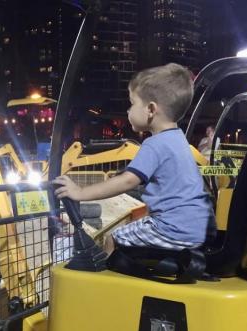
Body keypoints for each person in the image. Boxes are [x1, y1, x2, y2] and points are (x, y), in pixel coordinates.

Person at [53, 63, 214, 254]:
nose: (128, 111)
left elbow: (127, 180)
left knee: (114, 238)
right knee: (137, 226)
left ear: (151, 109)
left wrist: (80, 192)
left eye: (132, 103)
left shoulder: (155, 144)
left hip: (172, 229)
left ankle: (109, 283)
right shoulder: (179, 140)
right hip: (195, 229)